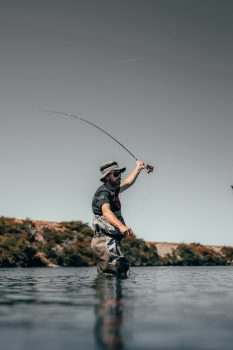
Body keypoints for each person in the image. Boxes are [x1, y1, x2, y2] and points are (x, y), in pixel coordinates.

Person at [91, 159, 145, 277]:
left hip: (112, 240)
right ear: (106, 177)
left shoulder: (113, 189)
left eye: (120, 173)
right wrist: (121, 226)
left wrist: (138, 168)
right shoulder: (103, 193)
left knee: (121, 272)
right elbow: (106, 211)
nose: (119, 176)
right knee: (112, 276)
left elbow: (128, 182)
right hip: (104, 241)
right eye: (116, 174)